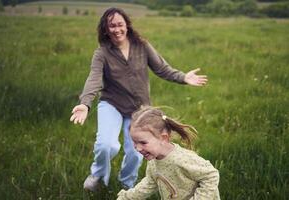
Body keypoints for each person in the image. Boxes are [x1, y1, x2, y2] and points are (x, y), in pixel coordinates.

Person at [69, 7, 208, 192]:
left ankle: (127, 184)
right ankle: (98, 175)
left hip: (138, 109)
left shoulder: (142, 45)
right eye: (112, 26)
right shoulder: (102, 53)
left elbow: (162, 68)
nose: (117, 29)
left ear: (127, 24)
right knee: (106, 145)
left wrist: (183, 77)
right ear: (105, 29)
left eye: (120, 24)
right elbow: (94, 78)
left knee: (136, 152)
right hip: (112, 103)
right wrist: (85, 104)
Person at [117, 106, 220, 200]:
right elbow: (150, 182)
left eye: (143, 142)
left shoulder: (181, 159)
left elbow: (211, 175)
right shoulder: (154, 161)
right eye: (134, 142)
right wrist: (126, 197)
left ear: (163, 138)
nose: (138, 148)